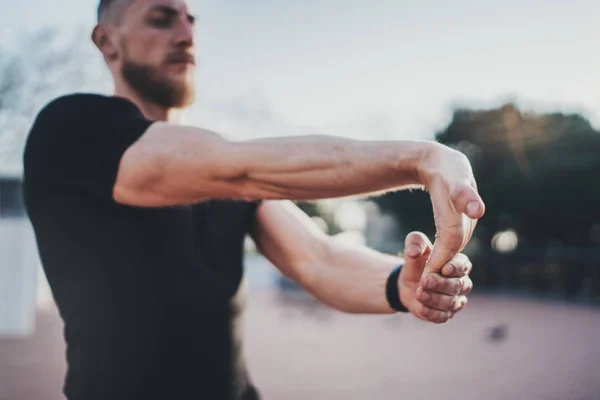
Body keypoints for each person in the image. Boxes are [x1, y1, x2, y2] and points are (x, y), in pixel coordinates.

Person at [22, 0, 485, 399]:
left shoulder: (230, 171)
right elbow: (237, 165)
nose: (186, 34)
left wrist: (399, 286)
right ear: (107, 41)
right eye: (162, 19)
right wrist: (421, 159)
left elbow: (320, 259)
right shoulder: (72, 130)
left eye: (191, 20)